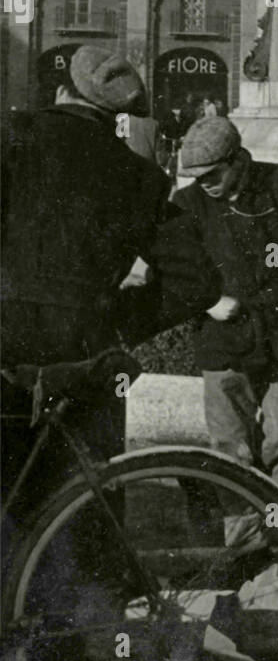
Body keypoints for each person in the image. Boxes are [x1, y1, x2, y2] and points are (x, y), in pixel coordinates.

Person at [1, 46, 220, 587]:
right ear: (119, 113)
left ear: (61, 92)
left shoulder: (11, 142)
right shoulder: (139, 177)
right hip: (85, 357)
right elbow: (198, 283)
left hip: (4, 348)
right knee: (81, 511)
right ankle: (74, 654)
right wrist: (116, 320)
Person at [173, 118, 278, 551]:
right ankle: (242, 544)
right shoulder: (187, 203)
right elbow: (174, 269)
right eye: (196, 177)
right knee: (229, 442)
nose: (204, 184)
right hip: (221, 340)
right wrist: (207, 301)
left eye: (212, 175)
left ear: (236, 160)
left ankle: (225, 484)